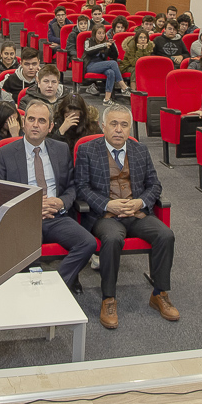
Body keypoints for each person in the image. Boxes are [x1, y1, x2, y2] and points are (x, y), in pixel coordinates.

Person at [75, 104, 177, 328]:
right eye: (113, 124)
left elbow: (154, 185)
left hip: (136, 212)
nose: (119, 129)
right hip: (106, 216)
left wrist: (140, 202)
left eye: (124, 125)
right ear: (103, 126)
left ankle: (159, 293)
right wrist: (107, 204)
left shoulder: (140, 150)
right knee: (112, 239)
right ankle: (108, 298)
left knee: (165, 235)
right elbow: (81, 188)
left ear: (130, 128)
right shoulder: (87, 150)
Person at [0, 100, 96, 293]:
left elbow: (72, 186)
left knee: (87, 243)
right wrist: (30, 206)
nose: (35, 125)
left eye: (41, 121)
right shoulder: (4, 153)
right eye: (31, 119)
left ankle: (55, 289)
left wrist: (61, 201)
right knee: (27, 249)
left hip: (56, 216)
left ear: (50, 127)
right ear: (23, 123)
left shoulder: (61, 149)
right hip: (23, 218)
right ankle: (29, 293)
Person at [83, 24, 130, 105]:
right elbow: (88, 50)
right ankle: (123, 87)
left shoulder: (106, 43)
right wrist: (103, 45)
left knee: (111, 72)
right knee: (113, 63)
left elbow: (115, 56)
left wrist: (112, 46)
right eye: (99, 33)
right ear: (94, 34)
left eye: (103, 33)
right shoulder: (88, 41)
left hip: (102, 65)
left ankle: (107, 99)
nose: (101, 35)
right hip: (90, 65)